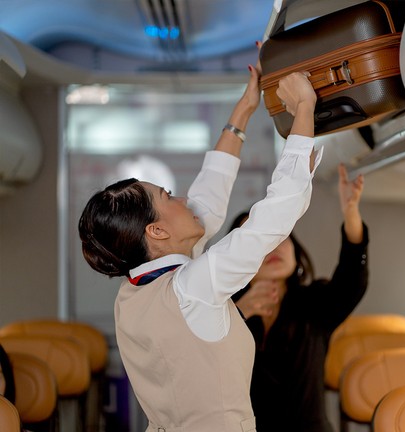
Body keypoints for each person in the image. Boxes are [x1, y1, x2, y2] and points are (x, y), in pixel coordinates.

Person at [76, 65, 319, 431]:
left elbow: (209, 193)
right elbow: (278, 212)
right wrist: (304, 106)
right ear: (157, 231)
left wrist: (245, 109)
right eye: (168, 196)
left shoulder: (132, 294)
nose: (185, 198)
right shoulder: (193, 288)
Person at [229, 164, 368, 432]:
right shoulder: (223, 313)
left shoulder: (314, 302)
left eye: (278, 236)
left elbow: (352, 280)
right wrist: (239, 312)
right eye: (256, 239)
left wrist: (351, 213)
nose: (271, 246)